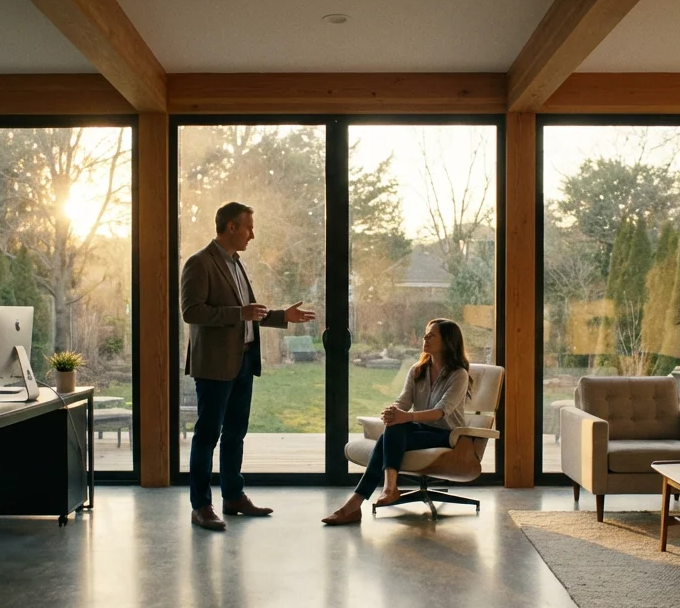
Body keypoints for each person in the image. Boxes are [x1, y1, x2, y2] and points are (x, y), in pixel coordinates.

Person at [182, 201, 316, 532]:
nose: (252, 235)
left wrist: (282, 315)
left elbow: (247, 311)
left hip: (242, 361)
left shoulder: (236, 264)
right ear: (231, 227)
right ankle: (201, 506)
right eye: (248, 227)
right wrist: (238, 314)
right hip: (214, 365)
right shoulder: (199, 263)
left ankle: (233, 497)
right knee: (207, 435)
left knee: (235, 434)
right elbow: (192, 312)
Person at [322, 318, 471, 526]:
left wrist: (405, 417)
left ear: (447, 341)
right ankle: (387, 489)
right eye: (425, 334)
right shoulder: (417, 370)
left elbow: (441, 412)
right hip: (419, 429)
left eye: (432, 335)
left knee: (391, 433)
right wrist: (392, 412)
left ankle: (359, 503)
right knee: (393, 427)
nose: (425, 338)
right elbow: (403, 401)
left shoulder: (459, 375)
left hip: (446, 435)